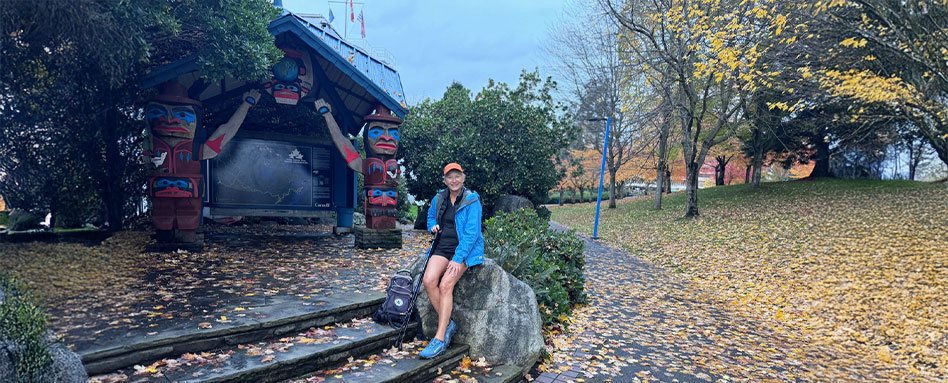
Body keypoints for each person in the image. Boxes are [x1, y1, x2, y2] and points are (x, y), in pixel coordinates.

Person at [418, 162, 485, 359]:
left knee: (446, 284)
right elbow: (430, 217)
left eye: (457, 176)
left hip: (465, 250)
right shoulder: (439, 198)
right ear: (445, 180)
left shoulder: (472, 200)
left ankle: (439, 338)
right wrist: (433, 226)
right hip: (442, 246)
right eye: (449, 177)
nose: (453, 180)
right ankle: (448, 324)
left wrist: (458, 259)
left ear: (463, 178)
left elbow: (472, 234)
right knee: (429, 281)